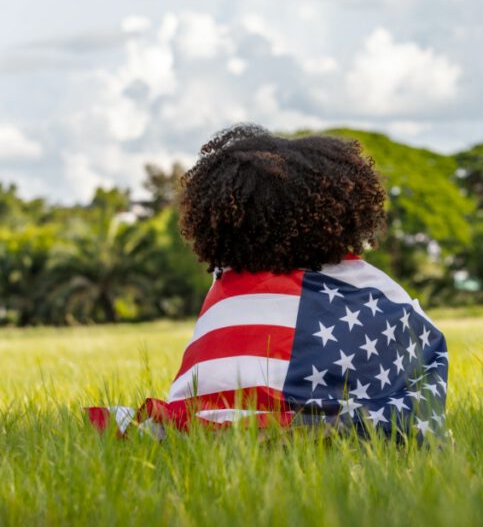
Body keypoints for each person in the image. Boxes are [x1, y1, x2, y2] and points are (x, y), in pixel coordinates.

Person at [89, 124, 447, 439]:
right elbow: (423, 360)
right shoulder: (368, 291)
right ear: (342, 213)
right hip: (325, 432)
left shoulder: (227, 289)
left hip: (208, 432)